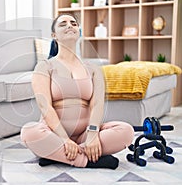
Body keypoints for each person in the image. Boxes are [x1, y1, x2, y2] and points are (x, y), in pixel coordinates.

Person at [20, 14, 134, 169]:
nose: (69, 26)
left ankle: (58, 155)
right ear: (54, 35)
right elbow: (45, 106)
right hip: (54, 134)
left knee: (126, 131)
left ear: (79, 31)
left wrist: (93, 134)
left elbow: (97, 104)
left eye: (74, 23)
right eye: (63, 24)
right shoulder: (44, 67)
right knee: (29, 133)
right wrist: (64, 139)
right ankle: (87, 160)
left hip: (85, 135)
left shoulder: (93, 69)